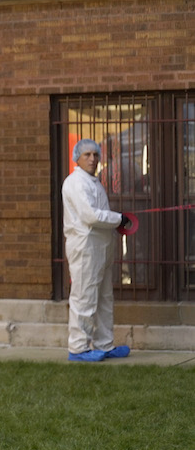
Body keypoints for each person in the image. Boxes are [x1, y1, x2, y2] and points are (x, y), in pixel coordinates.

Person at [62, 138, 132, 362]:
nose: (93, 159)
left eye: (95, 155)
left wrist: (116, 220)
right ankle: (78, 348)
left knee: (103, 298)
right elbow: (90, 215)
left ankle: (104, 344)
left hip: (100, 248)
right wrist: (118, 218)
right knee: (84, 297)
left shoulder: (94, 182)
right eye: (87, 155)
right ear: (77, 158)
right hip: (85, 248)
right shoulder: (75, 183)